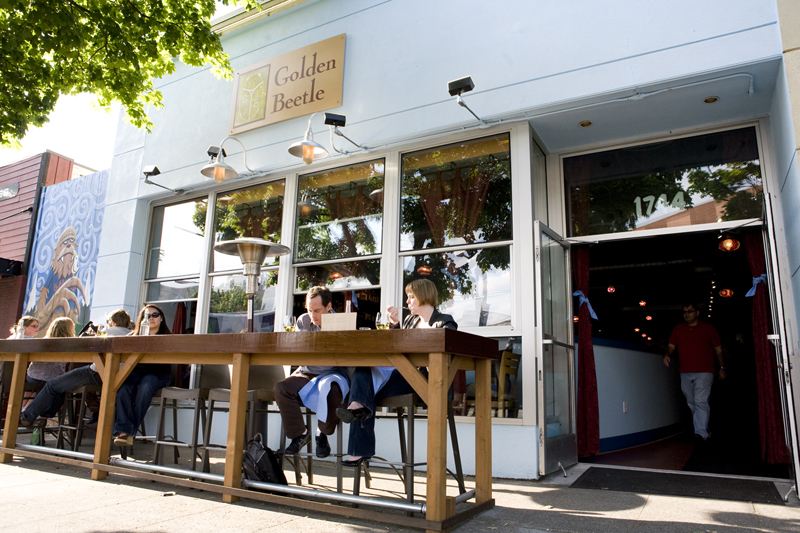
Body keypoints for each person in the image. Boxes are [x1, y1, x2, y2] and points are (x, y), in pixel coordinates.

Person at [337, 278, 457, 466]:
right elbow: (397, 346)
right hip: (402, 375)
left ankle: (358, 438)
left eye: (411, 297)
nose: (407, 301)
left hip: (427, 382)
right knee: (362, 371)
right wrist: (394, 325)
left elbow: (449, 353)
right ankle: (357, 417)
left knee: (362, 395)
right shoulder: (410, 320)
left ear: (424, 296)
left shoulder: (444, 322)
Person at [19, 310, 133, 427]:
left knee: (53, 385)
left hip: (98, 373)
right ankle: (93, 406)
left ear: (112, 322)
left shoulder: (104, 332)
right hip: (121, 377)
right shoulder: (133, 335)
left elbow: (90, 348)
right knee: (70, 382)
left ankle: (28, 416)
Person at [273, 286, 349, 458]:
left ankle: (321, 433)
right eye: (309, 310)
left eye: (317, 311)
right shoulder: (303, 320)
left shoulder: (341, 322)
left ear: (328, 307)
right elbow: (300, 349)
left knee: (333, 390)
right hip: (307, 371)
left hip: (333, 372)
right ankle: (300, 435)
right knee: (281, 388)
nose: (312, 315)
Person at [663, 302, 725, 443]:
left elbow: (718, 350)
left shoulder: (709, 329)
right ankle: (704, 429)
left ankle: (700, 433)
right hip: (685, 371)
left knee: (700, 401)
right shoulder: (678, 329)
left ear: (697, 313)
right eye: (684, 312)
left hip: (705, 371)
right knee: (691, 402)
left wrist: (722, 368)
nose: (687, 314)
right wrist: (667, 354)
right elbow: (671, 346)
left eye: (690, 311)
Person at [113, 305, 172, 447]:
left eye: (155, 314)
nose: (151, 318)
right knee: (122, 387)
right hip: (136, 372)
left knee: (145, 386)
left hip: (158, 373)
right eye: (147, 315)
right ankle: (125, 431)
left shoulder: (168, 337)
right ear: (141, 319)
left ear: (161, 318)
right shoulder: (133, 336)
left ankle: (127, 432)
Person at [26, 317, 73, 387]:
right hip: (53, 377)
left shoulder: (42, 341)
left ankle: (30, 395)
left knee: (32, 390)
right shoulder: (68, 345)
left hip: (32, 375)